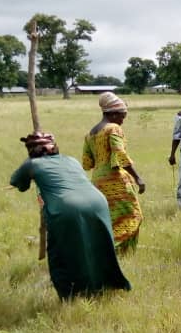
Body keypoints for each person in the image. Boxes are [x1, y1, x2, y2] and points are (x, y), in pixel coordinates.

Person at [10, 132, 131, 300]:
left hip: (66, 208)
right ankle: (105, 286)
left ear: (31, 151)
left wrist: (29, 166)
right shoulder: (71, 160)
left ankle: (70, 295)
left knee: (60, 254)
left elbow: (17, 183)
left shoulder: (32, 164)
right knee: (99, 245)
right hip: (97, 202)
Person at [82, 92, 145, 252]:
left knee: (109, 218)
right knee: (133, 216)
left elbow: (87, 162)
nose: (123, 120)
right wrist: (137, 178)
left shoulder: (90, 134)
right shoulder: (113, 128)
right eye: (122, 116)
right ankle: (116, 250)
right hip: (116, 181)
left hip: (97, 183)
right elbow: (120, 154)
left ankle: (110, 252)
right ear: (113, 113)